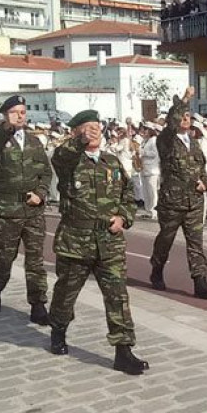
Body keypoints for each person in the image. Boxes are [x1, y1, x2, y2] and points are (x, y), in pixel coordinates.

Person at [47, 109, 149, 375]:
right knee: (66, 293)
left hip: (110, 242)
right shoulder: (67, 160)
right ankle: (58, 328)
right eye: (87, 128)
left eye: (97, 127)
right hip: (76, 242)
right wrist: (79, 140)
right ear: (75, 131)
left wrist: (123, 218)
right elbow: (62, 155)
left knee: (118, 297)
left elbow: (129, 196)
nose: (94, 132)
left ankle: (123, 350)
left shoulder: (111, 162)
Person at [0, 96, 52, 324]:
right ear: (5, 114)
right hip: (7, 210)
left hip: (33, 211)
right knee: (5, 257)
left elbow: (46, 173)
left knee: (35, 260)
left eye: (23, 112)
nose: (20, 115)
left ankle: (38, 304)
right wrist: (7, 127)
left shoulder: (34, 142)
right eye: (15, 112)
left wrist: (40, 194)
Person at [149, 86, 207, 299]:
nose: (186, 119)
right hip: (172, 202)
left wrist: (205, 183)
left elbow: (203, 166)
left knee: (196, 243)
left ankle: (200, 282)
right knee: (166, 239)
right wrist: (186, 98)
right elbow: (172, 122)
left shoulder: (194, 143)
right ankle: (157, 269)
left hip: (194, 202)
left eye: (189, 116)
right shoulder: (166, 140)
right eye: (183, 116)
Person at [140, 122, 161, 220]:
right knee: (146, 192)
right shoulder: (145, 141)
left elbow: (154, 153)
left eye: (146, 129)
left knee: (152, 192)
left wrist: (143, 152)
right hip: (144, 168)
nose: (144, 131)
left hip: (152, 169)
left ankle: (154, 211)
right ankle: (148, 210)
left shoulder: (154, 140)